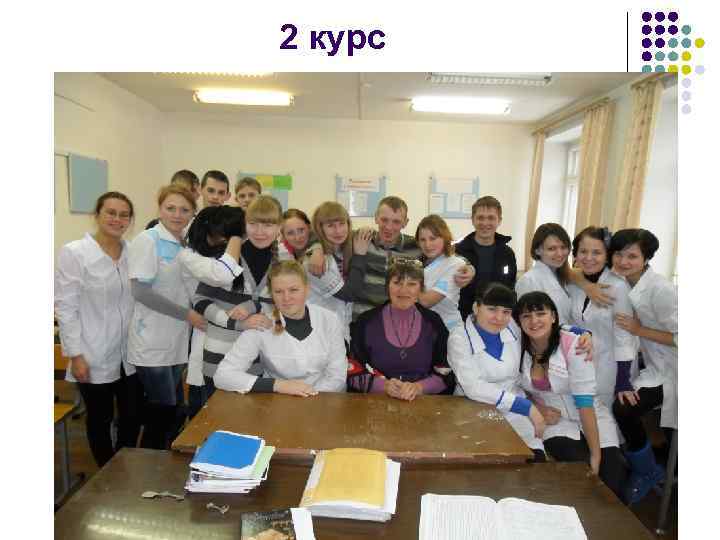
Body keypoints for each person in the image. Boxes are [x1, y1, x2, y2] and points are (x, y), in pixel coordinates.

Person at [55, 192, 142, 467]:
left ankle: (124, 468)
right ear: (97, 215)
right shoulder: (75, 253)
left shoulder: (132, 252)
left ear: (130, 220)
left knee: (132, 416)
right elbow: (66, 308)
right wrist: (75, 355)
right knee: (100, 418)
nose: (117, 219)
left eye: (124, 215)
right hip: (92, 353)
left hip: (129, 353)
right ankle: (106, 472)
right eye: (111, 213)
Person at [515, 291, 628, 502]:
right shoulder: (517, 348)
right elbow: (516, 388)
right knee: (579, 473)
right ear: (518, 322)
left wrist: (596, 456)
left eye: (541, 313)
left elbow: (584, 402)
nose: (534, 321)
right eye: (526, 316)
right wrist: (537, 408)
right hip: (554, 421)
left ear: (553, 316)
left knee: (612, 481)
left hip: (591, 414)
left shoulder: (574, 344)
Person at [128, 185, 205, 449]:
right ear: (160, 209)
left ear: (193, 213)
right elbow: (140, 292)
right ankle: (149, 464)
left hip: (176, 340)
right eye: (170, 208)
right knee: (163, 412)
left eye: (184, 210)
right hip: (151, 340)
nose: (177, 215)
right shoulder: (148, 240)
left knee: (173, 411)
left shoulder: (187, 243)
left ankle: (162, 463)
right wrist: (188, 314)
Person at [312, 196, 474, 319]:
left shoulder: (416, 246)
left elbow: (446, 255)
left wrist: (469, 267)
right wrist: (316, 249)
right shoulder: (360, 239)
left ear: (405, 222)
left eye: (396, 222)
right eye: (384, 220)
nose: (389, 227)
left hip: (398, 321)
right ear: (376, 217)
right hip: (360, 320)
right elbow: (324, 236)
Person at [609, 228, 677, 504]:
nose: (623, 261)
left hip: (676, 370)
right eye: (618, 254)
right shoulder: (623, 281)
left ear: (646, 258)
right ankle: (649, 468)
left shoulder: (661, 289)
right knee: (624, 404)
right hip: (656, 366)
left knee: (625, 408)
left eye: (632, 256)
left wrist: (640, 330)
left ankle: (649, 471)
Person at [214, 260, 347, 395]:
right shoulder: (261, 325)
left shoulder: (329, 320)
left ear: (307, 289)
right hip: (278, 399)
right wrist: (279, 385)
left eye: (293, 290)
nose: (286, 298)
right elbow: (223, 376)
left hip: (324, 397)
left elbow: (337, 376)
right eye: (278, 291)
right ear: (271, 294)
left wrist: (309, 394)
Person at [447, 283, 546, 461]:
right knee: (489, 464)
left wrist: (581, 333)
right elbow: (473, 387)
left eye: (506, 312)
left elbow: (546, 331)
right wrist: (527, 407)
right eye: (492, 309)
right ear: (476, 307)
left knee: (534, 461)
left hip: (515, 412)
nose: (499, 318)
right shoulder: (459, 338)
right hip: (474, 408)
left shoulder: (513, 327)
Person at [195, 195, 284, 387]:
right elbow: (200, 301)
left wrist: (254, 307)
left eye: (268, 225)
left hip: (258, 362)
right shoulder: (225, 256)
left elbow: (283, 307)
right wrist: (237, 323)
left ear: (279, 227)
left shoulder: (282, 262)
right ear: (244, 224)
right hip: (218, 359)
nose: (260, 232)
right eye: (253, 224)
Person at [348, 260, 454, 399]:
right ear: (387, 287)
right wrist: (383, 386)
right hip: (375, 403)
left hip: (423, 403)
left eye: (412, 284)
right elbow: (352, 369)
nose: (404, 290)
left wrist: (419, 387)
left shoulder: (434, 323)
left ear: (421, 288)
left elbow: (446, 371)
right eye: (397, 283)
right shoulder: (366, 321)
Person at [182, 205, 245, 418]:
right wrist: (236, 236)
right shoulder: (190, 256)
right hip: (206, 335)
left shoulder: (227, 253)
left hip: (233, 339)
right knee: (205, 413)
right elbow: (222, 275)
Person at [568, 226, 638, 409]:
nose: (588, 258)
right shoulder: (574, 284)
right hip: (580, 363)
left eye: (596, 252)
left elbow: (624, 338)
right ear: (575, 254)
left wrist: (623, 380)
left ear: (607, 256)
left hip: (610, 368)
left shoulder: (618, 287)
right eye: (583, 251)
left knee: (606, 418)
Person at [303, 202, 362, 343]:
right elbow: (348, 294)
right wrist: (361, 255)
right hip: (318, 335)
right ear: (320, 228)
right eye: (330, 226)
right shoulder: (313, 260)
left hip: (341, 331)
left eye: (342, 224)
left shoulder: (344, 253)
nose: (338, 231)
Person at [455, 196, 518, 321]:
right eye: (480, 218)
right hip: (463, 318)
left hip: (497, 319)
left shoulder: (507, 254)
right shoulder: (458, 251)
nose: (485, 223)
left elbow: (510, 288)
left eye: (491, 218)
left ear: (499, 220)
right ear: (472, 220)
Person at [415, 214, 467, 330]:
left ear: (445, 238)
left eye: (433, 238)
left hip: (449, 329)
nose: (427, 245)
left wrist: (407, 286)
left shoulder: (455, 265)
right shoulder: (419, 263)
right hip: (424, 328)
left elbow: (426, 301)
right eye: (422, 240)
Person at [516, 223, 573, 324]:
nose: (559, 253)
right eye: (552, 249)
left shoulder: (564, 276)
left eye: (563, 247)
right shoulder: (529, 281)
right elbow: (528, 321)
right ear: (537, 250)